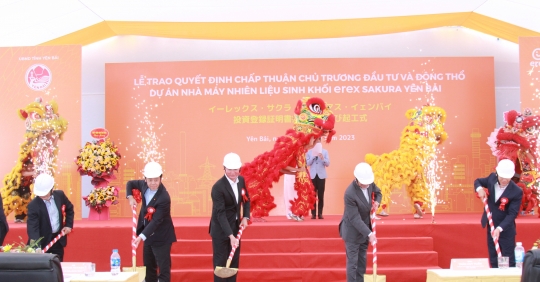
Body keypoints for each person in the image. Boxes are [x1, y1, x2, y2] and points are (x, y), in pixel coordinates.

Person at [128, 161, 177, 282]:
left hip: (161, 237)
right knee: (149, 268)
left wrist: (141, 236)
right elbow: (130, 183)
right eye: (150, 180)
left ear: (161, 178)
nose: (153, 183)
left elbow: (156, 221)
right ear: (145, 179)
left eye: (156, 180)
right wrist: (130, 197)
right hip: (147, 235)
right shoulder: (144, 186)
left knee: (163, 270)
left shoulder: (164, 197)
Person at [474, 159, 523, 268]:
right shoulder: (492, 178)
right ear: (497, 173)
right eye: (501, 177)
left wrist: (499, 228)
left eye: (507, 178)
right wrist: (480, 189)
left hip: (505, 228)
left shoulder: (516, 191)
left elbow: (512, 214)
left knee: (508, 258)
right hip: (491, 225)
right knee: (493, 257)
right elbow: (478, 181)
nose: (504, 180)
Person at [209, 153, 250, 282]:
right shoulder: (218, 187)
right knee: (221, 264)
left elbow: (246, 200)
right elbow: (220, 214)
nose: (232, 172)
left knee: (233, 263)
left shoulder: (241, 180)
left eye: (235, 169)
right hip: (221, 230)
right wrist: (231, 236)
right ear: (224, 168)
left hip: (235, 226)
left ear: (239, 169)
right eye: (229, 169)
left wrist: (246, 217)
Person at [339, 162, 382, 282]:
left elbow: (378, 192)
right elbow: (354, 218)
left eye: (368, 182)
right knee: (353, 264)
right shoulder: (349, 193)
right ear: (357, 179)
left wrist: (377, 202)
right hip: (352, 231)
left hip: (365, 229)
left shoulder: (369, 183)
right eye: (364, 183)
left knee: (362, 260)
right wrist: (369, 234)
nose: (367, 185)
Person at [26, 173, 74, 261]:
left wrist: (68, 225)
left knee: (57, 267)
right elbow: (33, 228)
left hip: (57, 240)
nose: (43, 196)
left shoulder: (60, 195)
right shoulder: (33, 206)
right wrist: (37, 247)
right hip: (41, 242)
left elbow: (69, 209)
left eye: (45, 193)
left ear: (52, 189)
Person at [306, 138, 330, 219]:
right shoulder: (309, 152)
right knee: (312, 195)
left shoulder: (325, 152)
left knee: (320, 195)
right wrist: (313, 156)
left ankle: (320, 213)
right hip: (312, 176)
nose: (317, 143)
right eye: (316, 141)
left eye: (319, 141)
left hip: (321, 176)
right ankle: (313, 214)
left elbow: (327, 164)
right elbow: (307, 163)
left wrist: (323, 158)